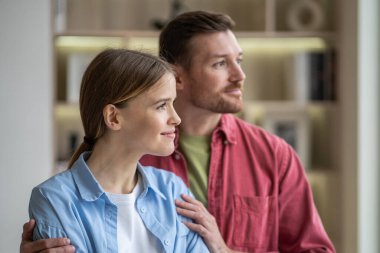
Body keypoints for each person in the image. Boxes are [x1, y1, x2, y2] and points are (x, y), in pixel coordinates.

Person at [21, 11, 336, 253]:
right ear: (177, 76)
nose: (240, 75)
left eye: (238, 61)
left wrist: (225, 250)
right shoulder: (133, 160)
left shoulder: (271, 156)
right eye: (219, 64)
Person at [25, 48, 210, 253]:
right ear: (113, 117)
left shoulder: (173, 189)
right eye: (161, 106)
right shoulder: (53, 199)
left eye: (172, 103)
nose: (176, 118)